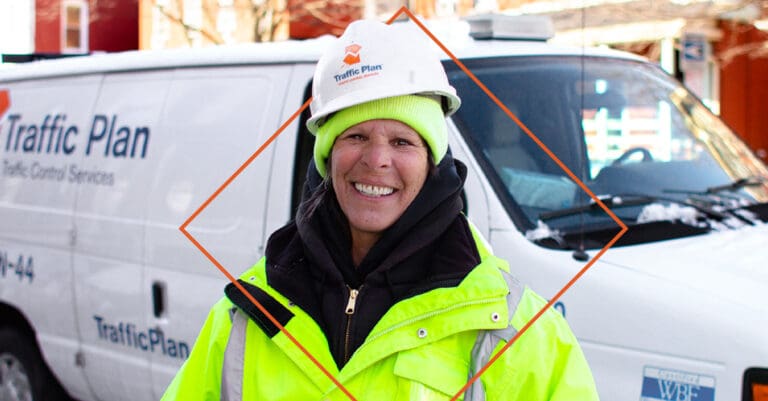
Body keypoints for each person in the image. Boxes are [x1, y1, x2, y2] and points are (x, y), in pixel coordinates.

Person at [161, 19, 599, 401]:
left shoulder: (512, 331)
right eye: (355, 137)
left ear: (432, 161)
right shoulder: (248, 315)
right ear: (327, 154)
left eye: (402, 141)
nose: (376, 160)